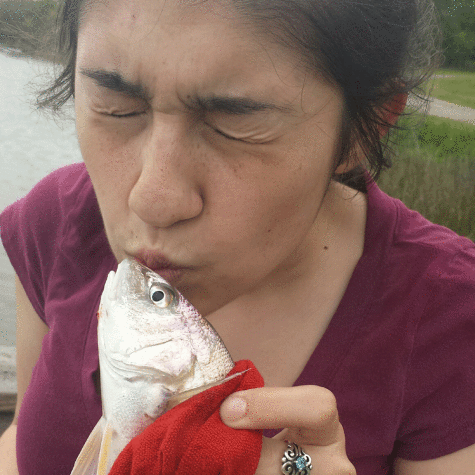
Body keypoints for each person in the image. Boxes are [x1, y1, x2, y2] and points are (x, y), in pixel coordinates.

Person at [1, 0, 474, 473]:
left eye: (234, 122)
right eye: (116, 105)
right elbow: (25, 437)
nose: (152, 200)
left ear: (361, 129)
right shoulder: (57, 221)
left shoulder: (451, 320)